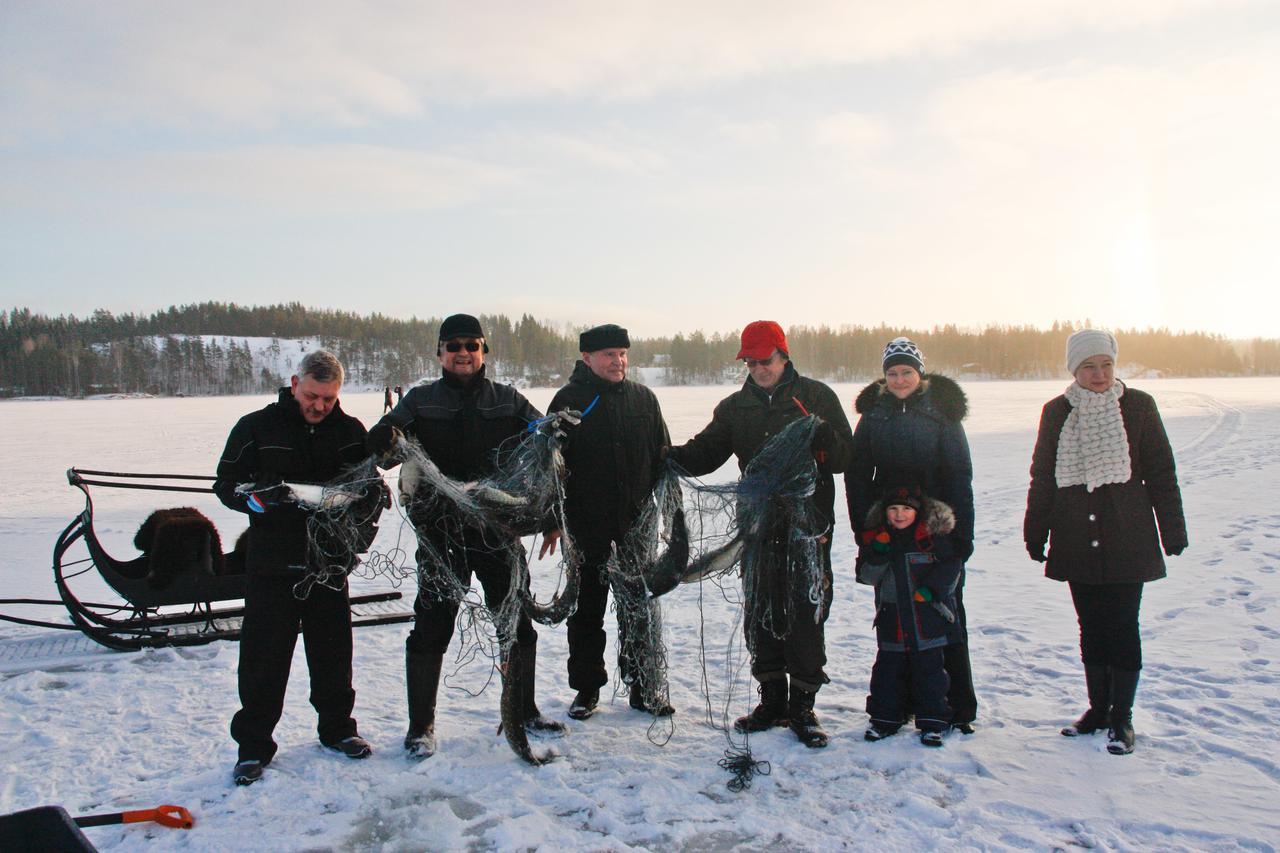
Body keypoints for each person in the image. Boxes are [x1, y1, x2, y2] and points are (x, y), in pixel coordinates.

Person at [366, 313, 564, 759]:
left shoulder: (508, 400)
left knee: (516, 625)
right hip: (440, 534)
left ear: (483, 352)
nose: (463, 352)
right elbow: (385, 447)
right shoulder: (419, 401)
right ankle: (421, 727)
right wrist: (382, 438)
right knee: (431, 627)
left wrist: (556, 435)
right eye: (453, 345)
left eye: (472, 345)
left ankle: (524, 709)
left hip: (497, 531)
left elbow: (543, 443)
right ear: (439, 353)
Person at [666, 320, 852, 748]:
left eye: (764, 360)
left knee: (806, 611)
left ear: (784, 355)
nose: (758, 368)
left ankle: (803, 707)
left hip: (808, 529)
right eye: (749, 362)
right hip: (758, 526)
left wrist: (824, 435)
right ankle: (771, 700)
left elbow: (845, 457)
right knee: (762, 609)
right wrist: (666, 458)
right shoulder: (735, 407)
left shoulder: (818, 397)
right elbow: (705, 453)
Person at [214, 350, 376, 786]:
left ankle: (339, 730)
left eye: (328, 398)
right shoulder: (256, 427)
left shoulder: (349, 432)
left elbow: (370, 491)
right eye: (311, 396)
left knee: (333, 654)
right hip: (271, 563)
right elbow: (225, 484)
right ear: (293, 383)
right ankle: (253, 747)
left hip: (328, 564)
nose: (319, 406)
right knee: (263, 660)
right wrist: (254, 497)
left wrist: (362, 522)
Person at [1024, 329, 1187, 755]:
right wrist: (1035, 528)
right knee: (1090, 626)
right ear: (1074, 370)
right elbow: (1043, 476)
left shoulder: (1138, 407)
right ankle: (1097, 709)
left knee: (1122, 625)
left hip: (1127, 533)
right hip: (1076, 532)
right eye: (1089, 367)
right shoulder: (1057, 411)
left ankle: (1122, 716)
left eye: (1106, 365)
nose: (1098, 374)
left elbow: (1162, 471)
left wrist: (1172, 529)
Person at [846, 336, 979, 734]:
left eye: (907, 372)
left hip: (936, 529)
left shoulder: (942, 413)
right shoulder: (873, 415)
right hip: (892, 525)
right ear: (883, 378)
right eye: (892, 373)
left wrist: (961, 536)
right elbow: (857, 475)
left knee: (943, 614)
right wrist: (864, 529)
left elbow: (960, 475)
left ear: (920, 375)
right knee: (896, 616)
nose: (900, 379)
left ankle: (954, 707)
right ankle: (896, 706)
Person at [542, 323, 674, 719]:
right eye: (608, 355)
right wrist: (553, 519)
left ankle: (642, 686)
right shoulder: (569, 400)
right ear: (587, 358)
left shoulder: (644, 399)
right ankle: (586, 689)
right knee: (588, 610)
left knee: (638, 607)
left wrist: (668, 509)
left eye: (622, 353)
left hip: (635, 524)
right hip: (586, 525)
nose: (618, 361)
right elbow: (548, 467)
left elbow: (662, 455)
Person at [856, 483, 964, 747]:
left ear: (918, 512)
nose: (899, 514)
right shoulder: (878, 539)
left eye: (906, 509)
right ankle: (884, 720)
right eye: (893, 509)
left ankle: (933, 722)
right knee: (887, 674)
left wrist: (932, 591)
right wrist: (879, 553)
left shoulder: (933, 538)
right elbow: (866, 575)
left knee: (930, 674)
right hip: (892, 620)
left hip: (926, 621)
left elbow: (952, 568)